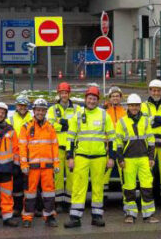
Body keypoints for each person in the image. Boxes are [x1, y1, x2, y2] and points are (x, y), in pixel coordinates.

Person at [64, 86, 115, 228]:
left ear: (97, 100)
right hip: (81, 157)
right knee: (78, 187)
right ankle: (75, 218)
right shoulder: (78, 115)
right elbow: (70, 138)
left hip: (99, 157)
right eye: (89, 98)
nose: (91, 101)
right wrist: (70, 157)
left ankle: (97, 217)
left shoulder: (104, 115)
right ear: (85, 99)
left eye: (94, 99)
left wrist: (111, 157)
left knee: (98, 187)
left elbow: (112, 138)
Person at [115, 94, 159, 224]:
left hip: (144, 159)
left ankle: (148, 215)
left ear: (140, 106)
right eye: (132, 105)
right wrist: (120, 159)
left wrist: (151, 157)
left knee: (147, 187)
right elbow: (118, 143)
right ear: (128, 106)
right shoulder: (122, 122)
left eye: (136, 105)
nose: (134, 108)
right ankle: (130, 214)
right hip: (128, 160)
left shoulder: (145, 121)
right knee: (129, 188)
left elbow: (151, 140)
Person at [19, 98, 60, 228]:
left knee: (49, 194)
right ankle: (27, 218)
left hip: (47, 167)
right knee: (30, 194)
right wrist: (24, 165)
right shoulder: (26, 127)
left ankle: (49, 217)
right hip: (32, 168)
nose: (40, 112)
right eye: (38, 110)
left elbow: (54, 146)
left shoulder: (50, 128)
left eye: (43, 110)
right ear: (34, 111)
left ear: (46, 111)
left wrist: (56, 164)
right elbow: (22, 148)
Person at [47, 82, 80, 212]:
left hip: (72, 147)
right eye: (62, 93)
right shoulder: (52, 109)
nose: (64, 95)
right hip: (58, 147)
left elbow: (78, 123)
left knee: (72, 176)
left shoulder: (77, 108)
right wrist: (63, 125)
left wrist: (62, 122)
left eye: (66, 93)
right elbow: (50, 125)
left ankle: (70, 201)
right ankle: (59, 202)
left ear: (69, 94)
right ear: (59, 94)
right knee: (58, 176)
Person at [141, 79, 161, 206]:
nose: (156, 93)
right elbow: (144, 122)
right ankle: (149, 200)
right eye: (153, 90)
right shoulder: (144, 105)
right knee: (149, 174)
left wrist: (154, 119)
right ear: (150, 91)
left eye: (158, 90)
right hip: (149, 147)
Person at [8, 94, 33, 216]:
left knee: (32, 184)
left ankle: (32, 208)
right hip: (16, 157)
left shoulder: (32, 118)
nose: (22, 107)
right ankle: (17, 207)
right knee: (17, 184)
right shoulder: (11, 119)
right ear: (16, 106)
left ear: (27, 106)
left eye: (24, 105)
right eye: (20, 105)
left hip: (31, 156)